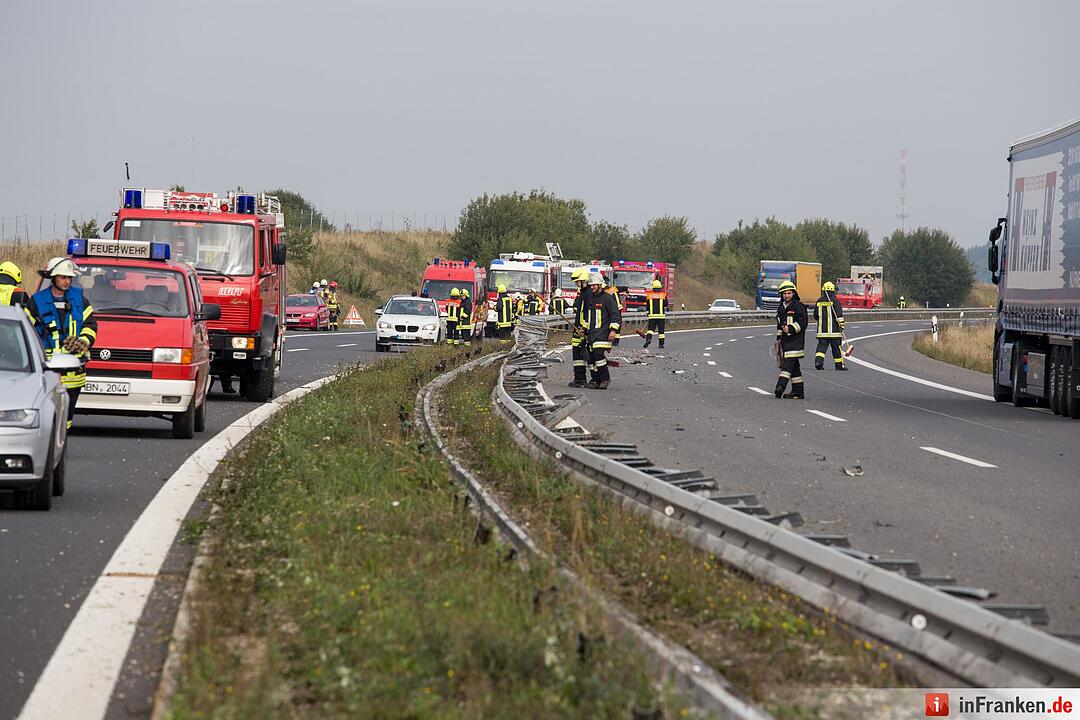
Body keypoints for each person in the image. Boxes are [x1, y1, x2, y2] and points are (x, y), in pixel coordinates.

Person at [26, 257, 97, 428]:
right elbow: (27, 331)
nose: (67, 281)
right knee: (47, 416)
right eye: (63, 277)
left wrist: (83, 342)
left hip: (74, 372)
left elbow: (90, 325)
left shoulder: (80, 301)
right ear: (53, 278)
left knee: (66, 420)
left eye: (69, 278)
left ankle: (60, 446)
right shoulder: (36, 302)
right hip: (48, 371)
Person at [773, 280, 807, 399]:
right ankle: (798, 392)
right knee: (794, 368)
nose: (787, 295)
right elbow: (779, 325)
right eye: (784, 293)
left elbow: (803, 323)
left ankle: (780, 387)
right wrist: (778, 339)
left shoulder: (799, 306)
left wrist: (791, 329)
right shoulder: (781, 308)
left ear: (793, 293)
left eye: (789, 293)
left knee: (787, 366)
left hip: (796, 342)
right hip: (785, 343)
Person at [586, 273, 620, 389]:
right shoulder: (590, 298)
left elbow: (615, 316)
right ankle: (595, 379)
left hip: (603, 333)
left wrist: (613, 331)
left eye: (594, 285)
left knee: (598, 354)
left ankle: (605, 378)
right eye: (591, 286)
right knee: (590, 357)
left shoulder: (607, 298)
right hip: (591, 334)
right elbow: (589, 317)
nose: (592, 287)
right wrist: (584, 329)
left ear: (600, 284)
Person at [813, 282, 847, 370]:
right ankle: (839, 366)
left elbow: (815, 316)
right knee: (836, 349)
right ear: (833, 291)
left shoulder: (819, 301)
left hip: (822, 332)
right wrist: (842, 326)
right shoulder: (835, 301)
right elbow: (839, 315)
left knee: (821, 348)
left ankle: (818, 362)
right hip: (835, 332)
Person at [568, 268, 592, 387]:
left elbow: (587, 313)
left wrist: (584, 328)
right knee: (577, 354)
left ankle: (583, 378)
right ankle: (579, 378)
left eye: (578, 282)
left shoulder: (588, 294)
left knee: (586, 354)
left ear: (584, 281)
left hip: (583, 329)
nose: (576, 284)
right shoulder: (583, 293)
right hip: (579, 328)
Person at [643, 279, 667, 349]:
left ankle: (648, 339)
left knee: (650, 330)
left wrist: (648, 313)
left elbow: (647, 306)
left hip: (652, 316)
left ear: (653, 287)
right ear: (660, 288)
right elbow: (666, 304)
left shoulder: (649, 295)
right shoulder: (663, 295)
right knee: (661, 332)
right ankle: (661, 345)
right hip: (661, 316)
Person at [602, 277, 623, 346]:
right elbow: (622, 288)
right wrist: (627, 289)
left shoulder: (606, 291)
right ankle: (616, 341)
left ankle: (613, 339)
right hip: (618, 308)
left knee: (613, 323)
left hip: (613, 309)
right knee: (618, 324)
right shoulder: (614, 288)